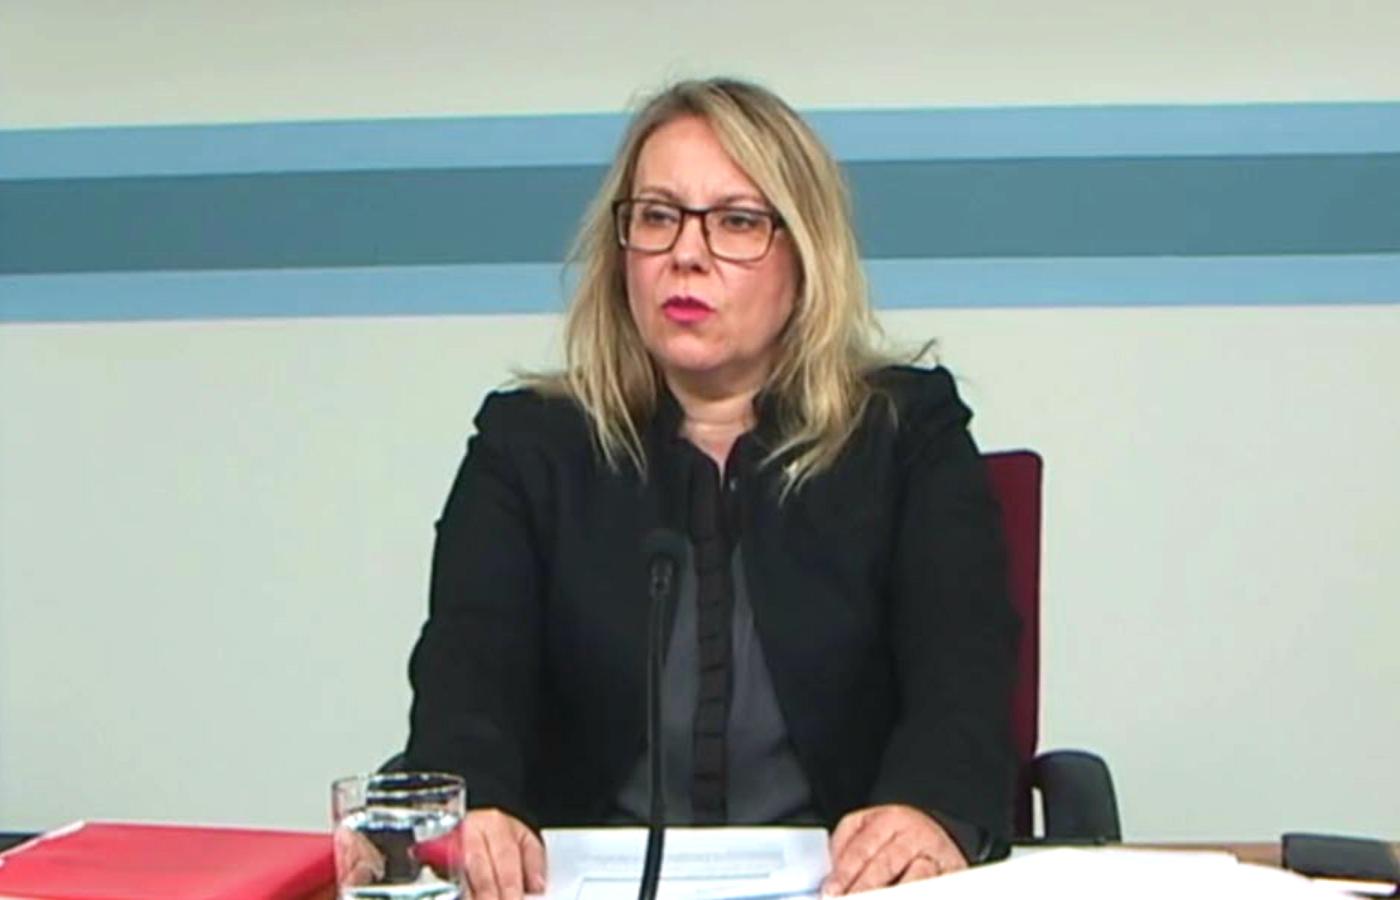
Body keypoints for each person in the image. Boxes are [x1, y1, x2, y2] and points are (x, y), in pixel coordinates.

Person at [403, 77, 1018, 900]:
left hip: (849, 889)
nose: (686, 255)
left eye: (736, 221)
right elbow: (466, 680)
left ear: (805, 255)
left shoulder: (908, 436)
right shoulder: (529, 449)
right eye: (658, 216)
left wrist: (928, 812)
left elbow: (963, 679)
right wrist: (476, 813)